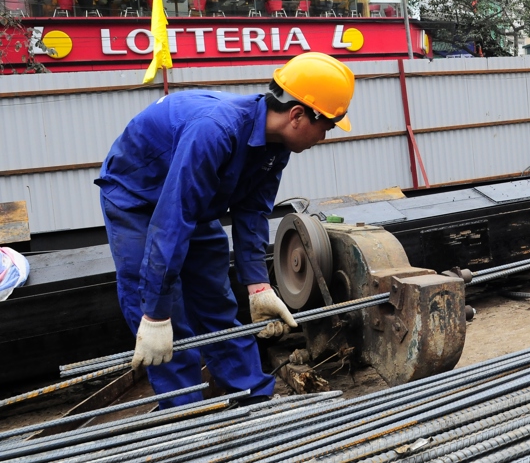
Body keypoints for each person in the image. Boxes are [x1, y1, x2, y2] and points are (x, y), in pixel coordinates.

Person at [96, 52, 355, 407]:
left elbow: (252, 213)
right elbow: (171, 222)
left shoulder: (274, 147)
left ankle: (251, 396)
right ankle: (186, 411)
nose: (324, 136)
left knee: (215, 299)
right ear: (297, 115)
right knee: (163, 303)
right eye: (325, 126)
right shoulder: (216, 131)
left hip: (191, 201)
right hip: (137, 199)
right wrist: (155, 315)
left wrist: (258, 285)